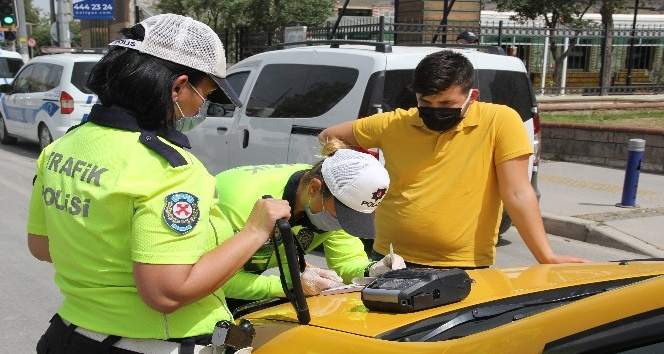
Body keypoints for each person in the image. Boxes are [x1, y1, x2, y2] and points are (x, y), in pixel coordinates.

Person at [27, 14, 290, 354]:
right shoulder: (169, 168)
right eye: (205, 93)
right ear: (178, 87)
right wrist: (255, 231)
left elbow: (42, 245)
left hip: (70, 336)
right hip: (150, 345)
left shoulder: (61, 148)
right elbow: (166, 292)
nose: (201, 106)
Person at [320, 50, 588, 269]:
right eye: (426, 102)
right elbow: (330, 136)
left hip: (463, 263)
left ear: (472, 97)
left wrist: (546, 256)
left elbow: (517, 192)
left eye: (446, 104)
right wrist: (361, 172)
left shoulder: (499, 122)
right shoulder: (395, 123)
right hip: (391, 258)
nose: (435, 111)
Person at [216, 141, 405, 311]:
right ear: (314, 189)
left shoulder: (335, 196)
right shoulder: (241, 203)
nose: (343, 224)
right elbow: (212, 278)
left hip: (247, 284)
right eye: (343, 215)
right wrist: (292, 286)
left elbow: (346, 263)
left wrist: (373, 270)